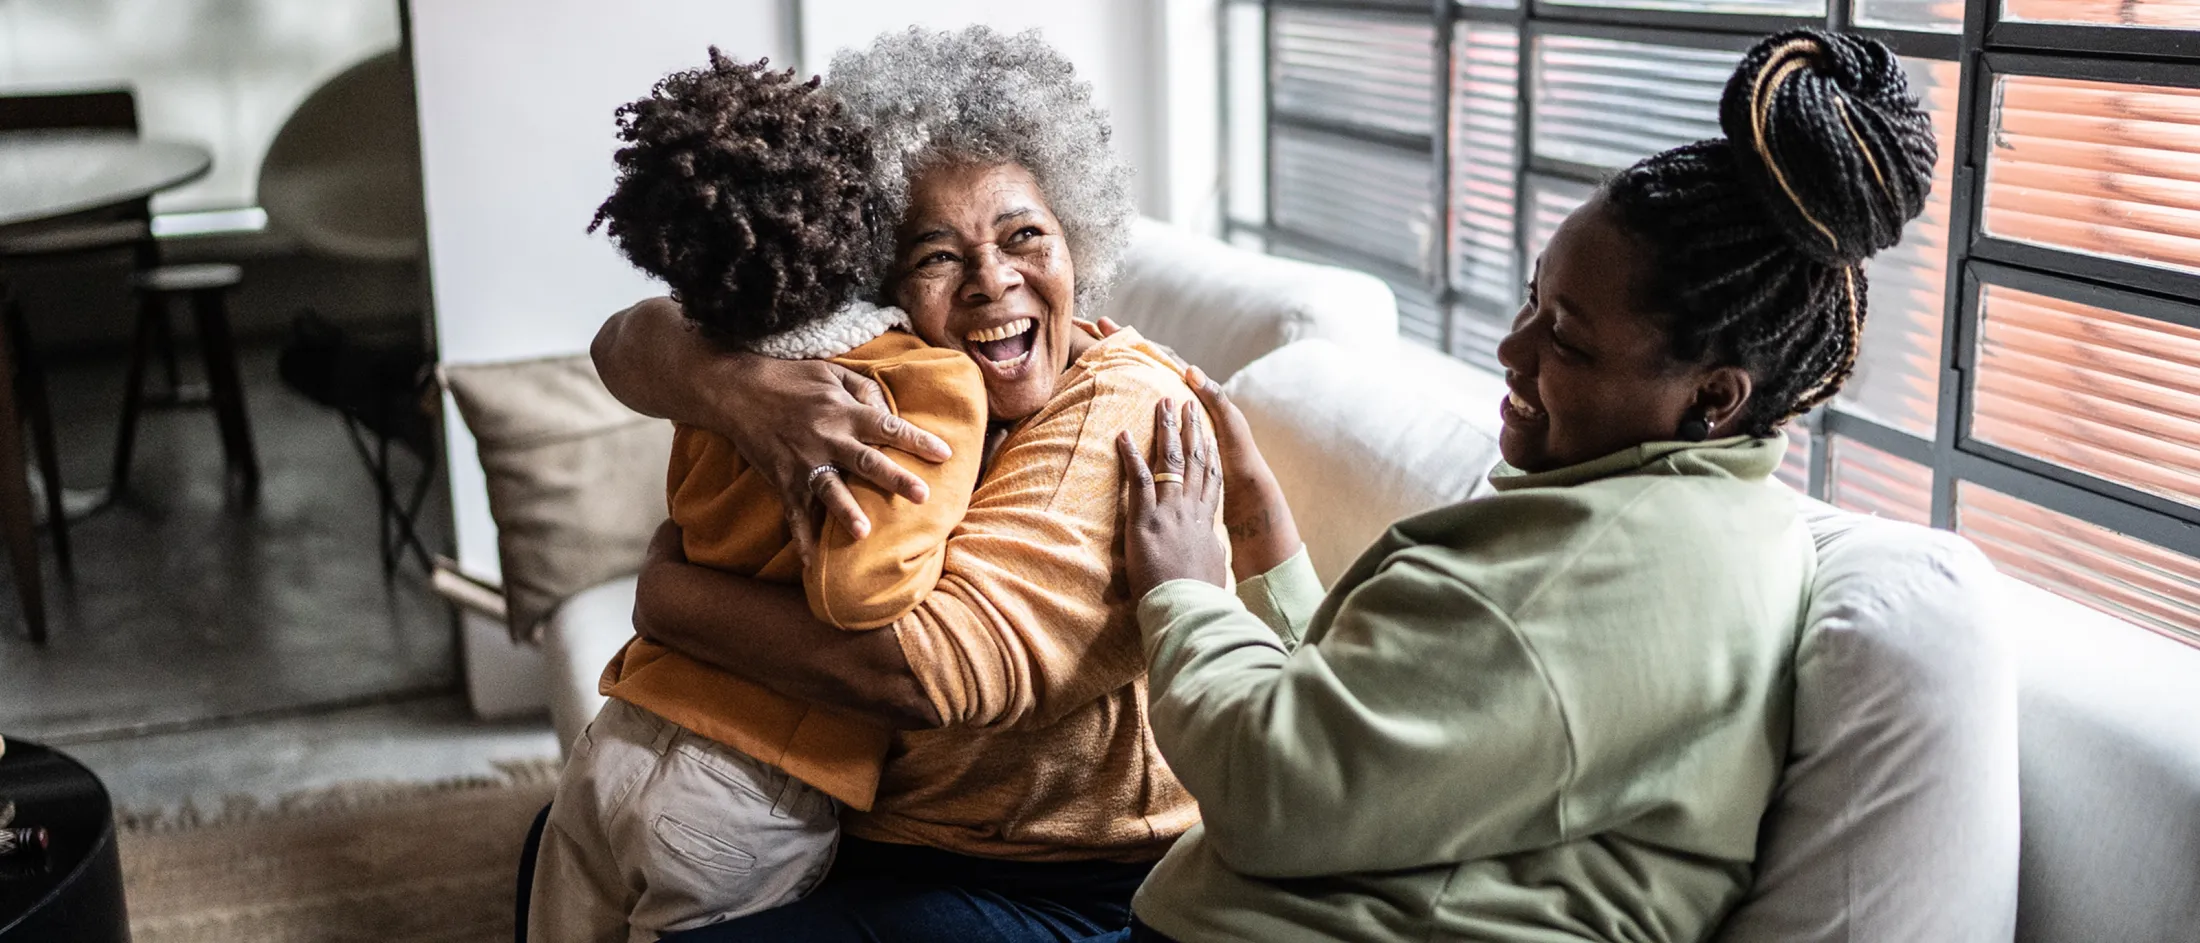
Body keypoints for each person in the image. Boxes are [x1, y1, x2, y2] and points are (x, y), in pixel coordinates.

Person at [1104, 29, 1936, 943]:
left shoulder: (1586, 570)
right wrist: (1264, 537)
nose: (1513, 350)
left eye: (1568, 340)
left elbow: (1268, 786)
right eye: (1532, 301)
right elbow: (1392, 742)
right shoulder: (1716, 520)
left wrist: (1181, 591)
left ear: (1713, 395)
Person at [586, 26, 1215, 941]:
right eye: (937, 255)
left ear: (1076, 238)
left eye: (1024, 236)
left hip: (1057, 880)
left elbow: (930, 673)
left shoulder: (1122, 407)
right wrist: (735, 385)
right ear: (880, 278)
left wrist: (667, 594)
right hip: (873, 831)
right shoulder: (888, 375)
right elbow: (627, 340)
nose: (993, 281)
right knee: (558, 848)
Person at [528, 51, 989, 942]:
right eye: (936, 249)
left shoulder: (721, 355)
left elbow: (681, 519)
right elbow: (862, 590)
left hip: (625, 730)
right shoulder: (924, 383)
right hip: (752, 780)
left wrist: (669, 579)